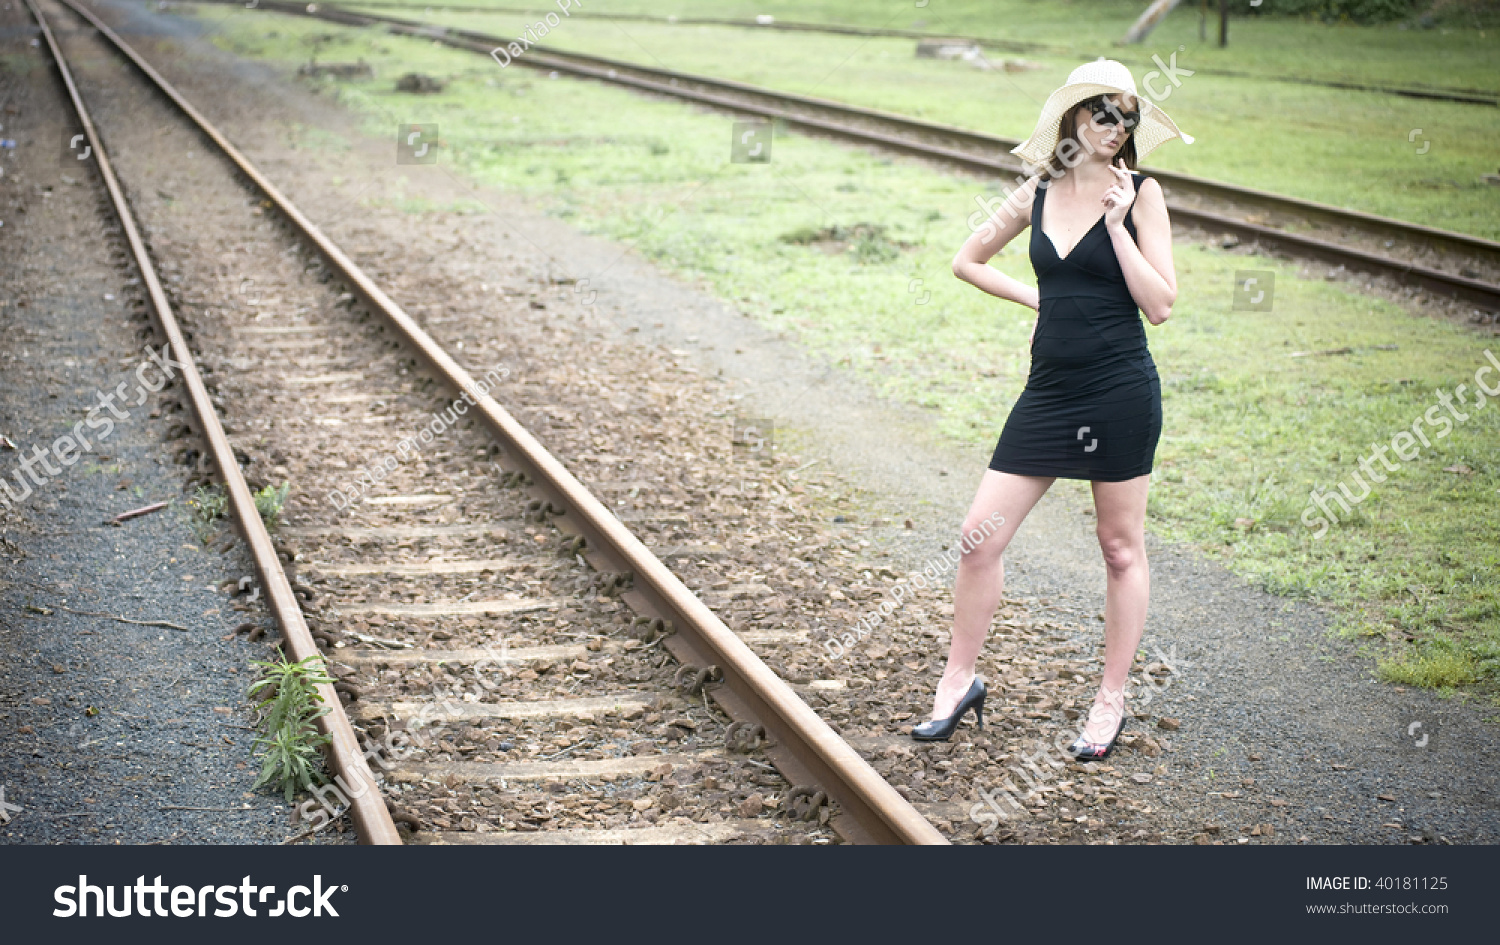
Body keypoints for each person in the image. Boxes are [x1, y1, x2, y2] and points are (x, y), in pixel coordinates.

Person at [911, 60, 1192, 760]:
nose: (1113, 126)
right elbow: (967, 260)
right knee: (980, 535)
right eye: (1101, 111)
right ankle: (958, 680)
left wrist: (1119, 226)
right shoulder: (1036, 190)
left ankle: (1110, 700)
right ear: (1071, 118)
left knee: (1120, 547)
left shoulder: (1144, 194)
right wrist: (1041, 300)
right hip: (1050, 392)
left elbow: (1159, 305)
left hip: (1120, 387)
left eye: (1126, 115)